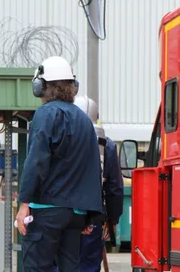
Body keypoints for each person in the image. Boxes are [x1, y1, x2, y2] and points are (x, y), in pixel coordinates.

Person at [16, 56, 103, 272]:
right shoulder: (84, 120)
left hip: (46, 210)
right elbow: (92, 168)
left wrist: (24, 202)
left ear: (42, 86)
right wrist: (90, 215)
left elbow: (36, 161)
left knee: (37, 266)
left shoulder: (46, 114)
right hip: (76, 214)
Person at [72, 96, 124, 272]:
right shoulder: (106, 146)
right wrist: (113, 220)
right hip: (93, 218)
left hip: (60, 217)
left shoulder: (61, 138)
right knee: (88, 266)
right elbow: (114, 188)